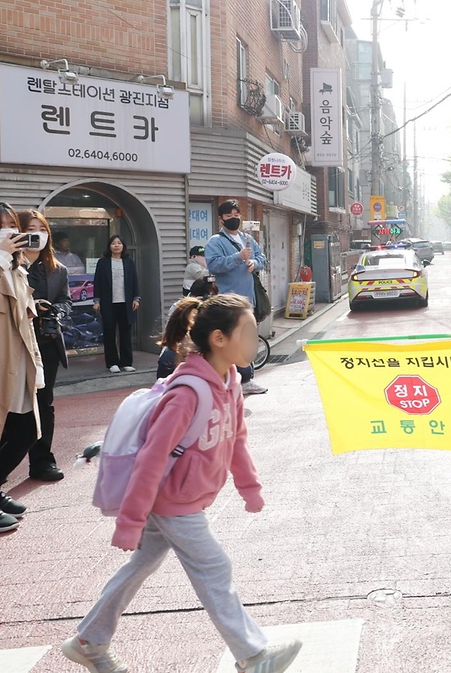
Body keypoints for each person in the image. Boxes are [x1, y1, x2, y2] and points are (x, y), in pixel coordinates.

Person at [61, 294, 302, 673]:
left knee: (141, 565)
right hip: (174, 498)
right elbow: (151, 460)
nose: (256, 342)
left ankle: (88, 640)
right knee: (214, 567)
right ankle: (254, 656)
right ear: (219, 339)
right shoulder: (186, 393)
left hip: (183, 495)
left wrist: (249, 487)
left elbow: (236, 437)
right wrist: (130, 521)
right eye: (249, 333)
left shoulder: (230, 381)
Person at [0, 202, 44, 534]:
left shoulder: (18, 269)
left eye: (11, 224)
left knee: (24, 431)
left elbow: (27, 324)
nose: (6, 230)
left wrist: (37, 363)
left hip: (19, 362)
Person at [21, 210, 71, 482]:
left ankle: (42, 461)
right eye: (31, 228)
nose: (37, 234)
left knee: (44, 401)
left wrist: (56, 312)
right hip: (15, 343)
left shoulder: (58, 269)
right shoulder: (9, 266)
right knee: (9, 405)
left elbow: (65, 299)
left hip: (47, 342)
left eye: (42, 229)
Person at [204, 200, 268, 396]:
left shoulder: (248, 238)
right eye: (229, 216)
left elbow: (262, 259)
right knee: (233, 340)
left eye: (236, 214)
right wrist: (238, 257)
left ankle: (246, 378)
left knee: (248, 339)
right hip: (230, 301)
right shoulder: (216, 241)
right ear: (221, 219)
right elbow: (214, 265)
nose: (234, 218)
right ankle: (237, 379)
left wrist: (254, 264)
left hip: (249, 299)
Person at [93, 236, 140, 374]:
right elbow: (97, 282)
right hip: (108, 303)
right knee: (109, 332)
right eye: (113, 243)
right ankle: (112, 363)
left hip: (126, 303)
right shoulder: (103, 263)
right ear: (109, 246)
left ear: (123, 246)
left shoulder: (129, 262)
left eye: (119, 243)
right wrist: (97, 301)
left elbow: (134, 282)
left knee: (126, 333)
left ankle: (126, 362)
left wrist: (136, 299)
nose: (116, 245)